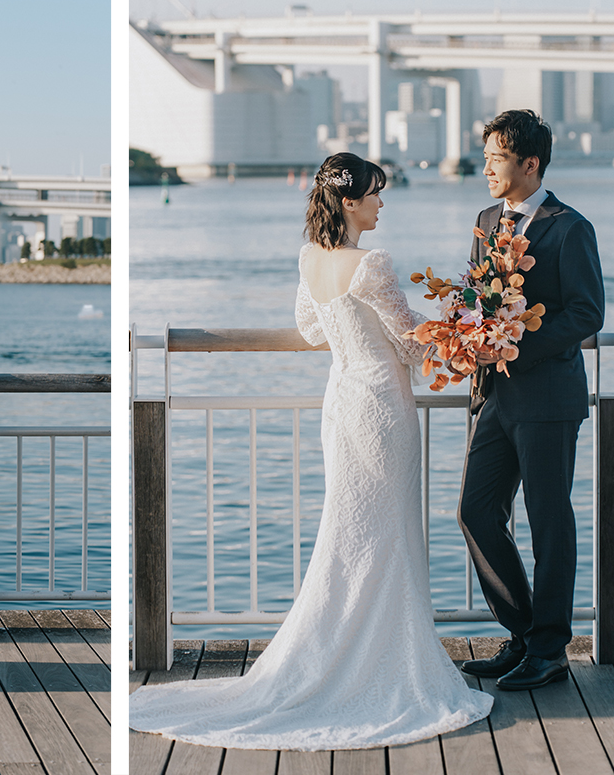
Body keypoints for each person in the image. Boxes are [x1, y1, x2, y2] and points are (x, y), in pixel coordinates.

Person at [128, 153, 493, 750]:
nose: (382, 202)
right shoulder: (373, 263)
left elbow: (311, 329)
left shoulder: (310, 258)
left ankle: (341, 654)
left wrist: (364, 325)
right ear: (350, 201)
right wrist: (460, 330)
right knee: (388, 533)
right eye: (376, 193)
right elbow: (407, 344)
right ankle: (386, 665)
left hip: (342, 401)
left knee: (352, 531)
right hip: (381, 407)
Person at [457, 110, 604, 691]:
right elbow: (475, 294)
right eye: (488, 157)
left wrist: (516, 343)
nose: (487, 168)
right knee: (475, 511)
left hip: (547, 397)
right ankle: (522, 634)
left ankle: (549, 652)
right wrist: (468, 335)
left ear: (529, 163)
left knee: (549, 524)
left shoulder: (570, 227)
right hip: (495, 398)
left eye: (496, 158)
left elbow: (588, 313)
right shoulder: (485, 219)